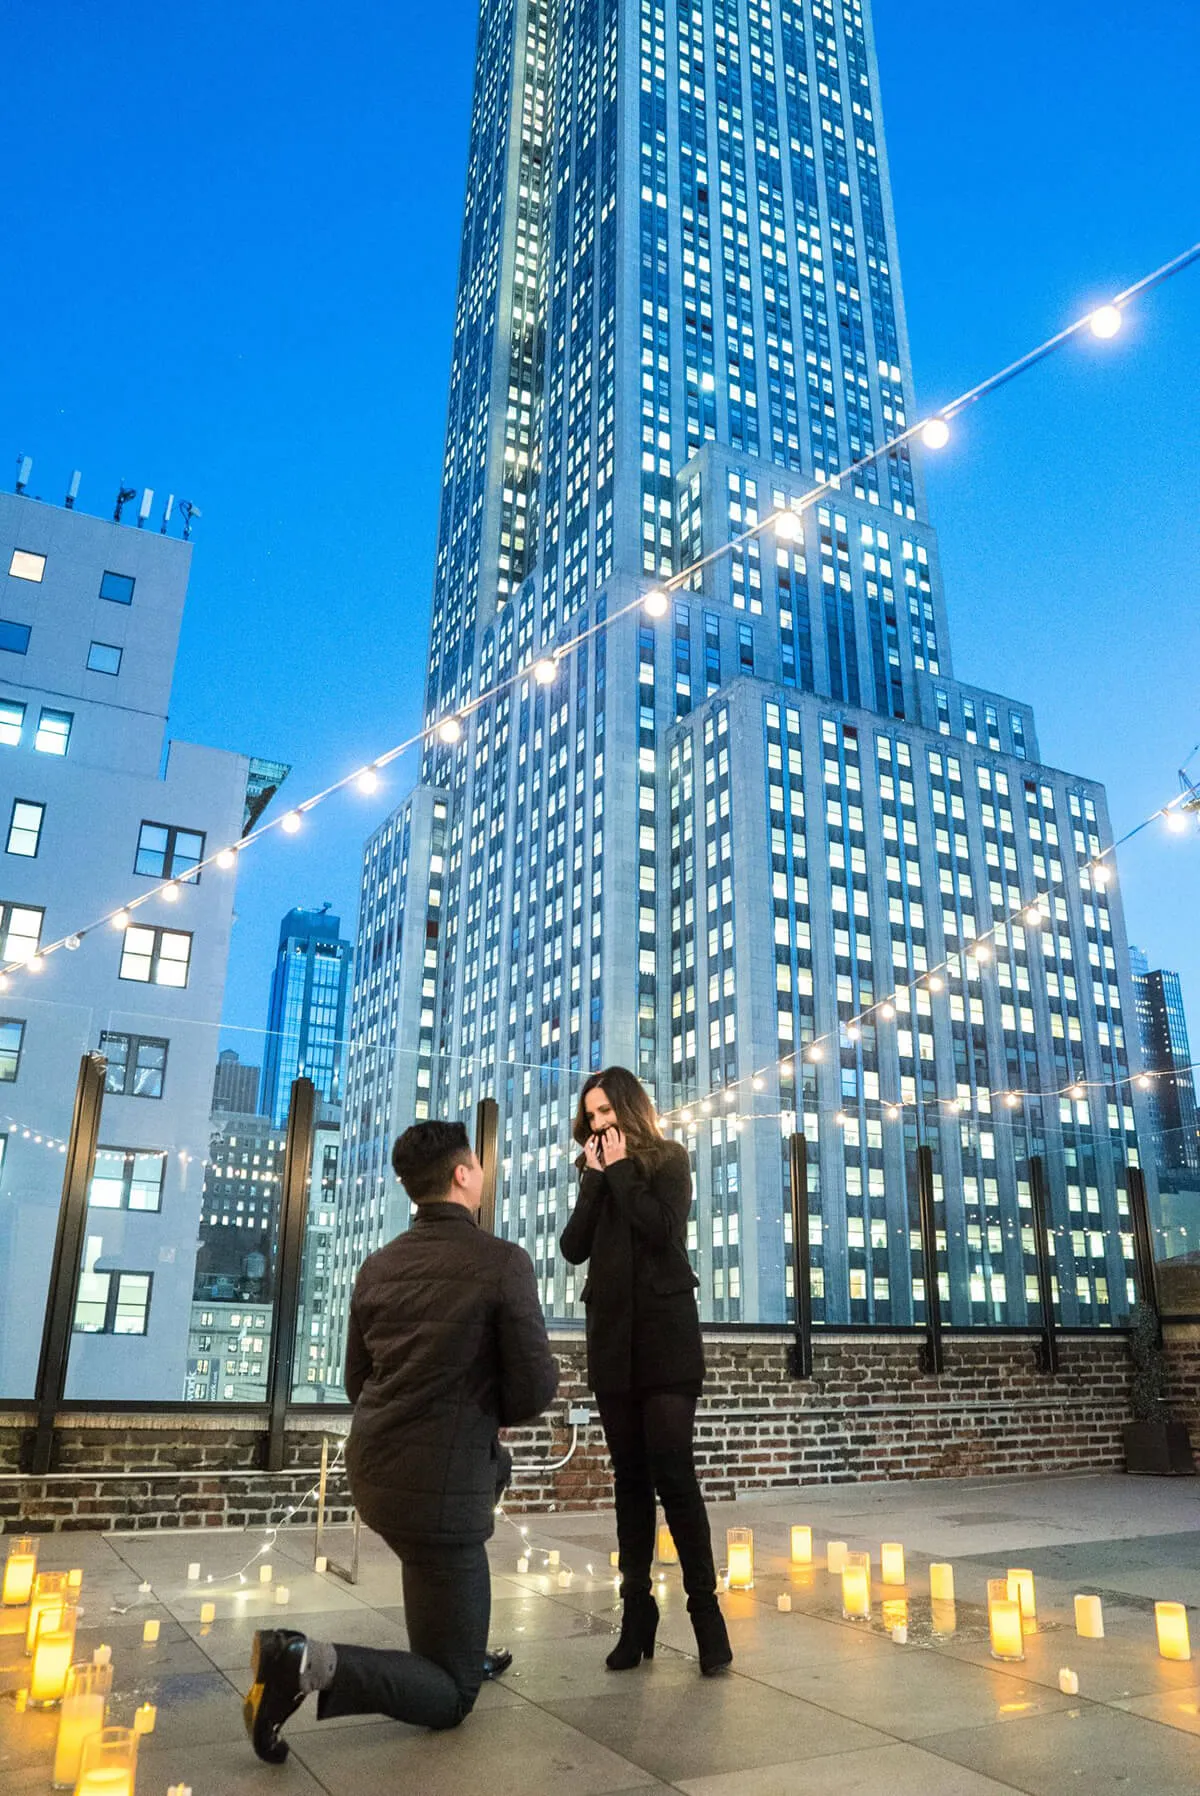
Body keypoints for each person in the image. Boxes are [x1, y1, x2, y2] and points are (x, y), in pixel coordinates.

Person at [244, 1119, 559, 1764]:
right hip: (441, 1488)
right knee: (451, 1697)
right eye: (479, 1164)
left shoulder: (378, 1265)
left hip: (377, 1470)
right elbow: (533, 1390)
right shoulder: (503, 1262)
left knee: (433, 1574)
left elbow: (357, 1381)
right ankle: (304, 1661)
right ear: (463, 1174)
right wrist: (483, 1406)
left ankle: (455, 1648)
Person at [560, 1066, 732, 1676]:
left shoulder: (669, 1160)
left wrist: (621, 1171)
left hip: (665, 1337)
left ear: (629, 1110)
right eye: (591, 1116)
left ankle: (705, 1611)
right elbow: (573, 1248)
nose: (598, 1124)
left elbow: (661, 1230)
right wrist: (594, 1180)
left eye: (606, 1112)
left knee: (673, 1471)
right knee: (629, 1478)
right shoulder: (594, 1174)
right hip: (612, 1339)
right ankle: (637, 1612)